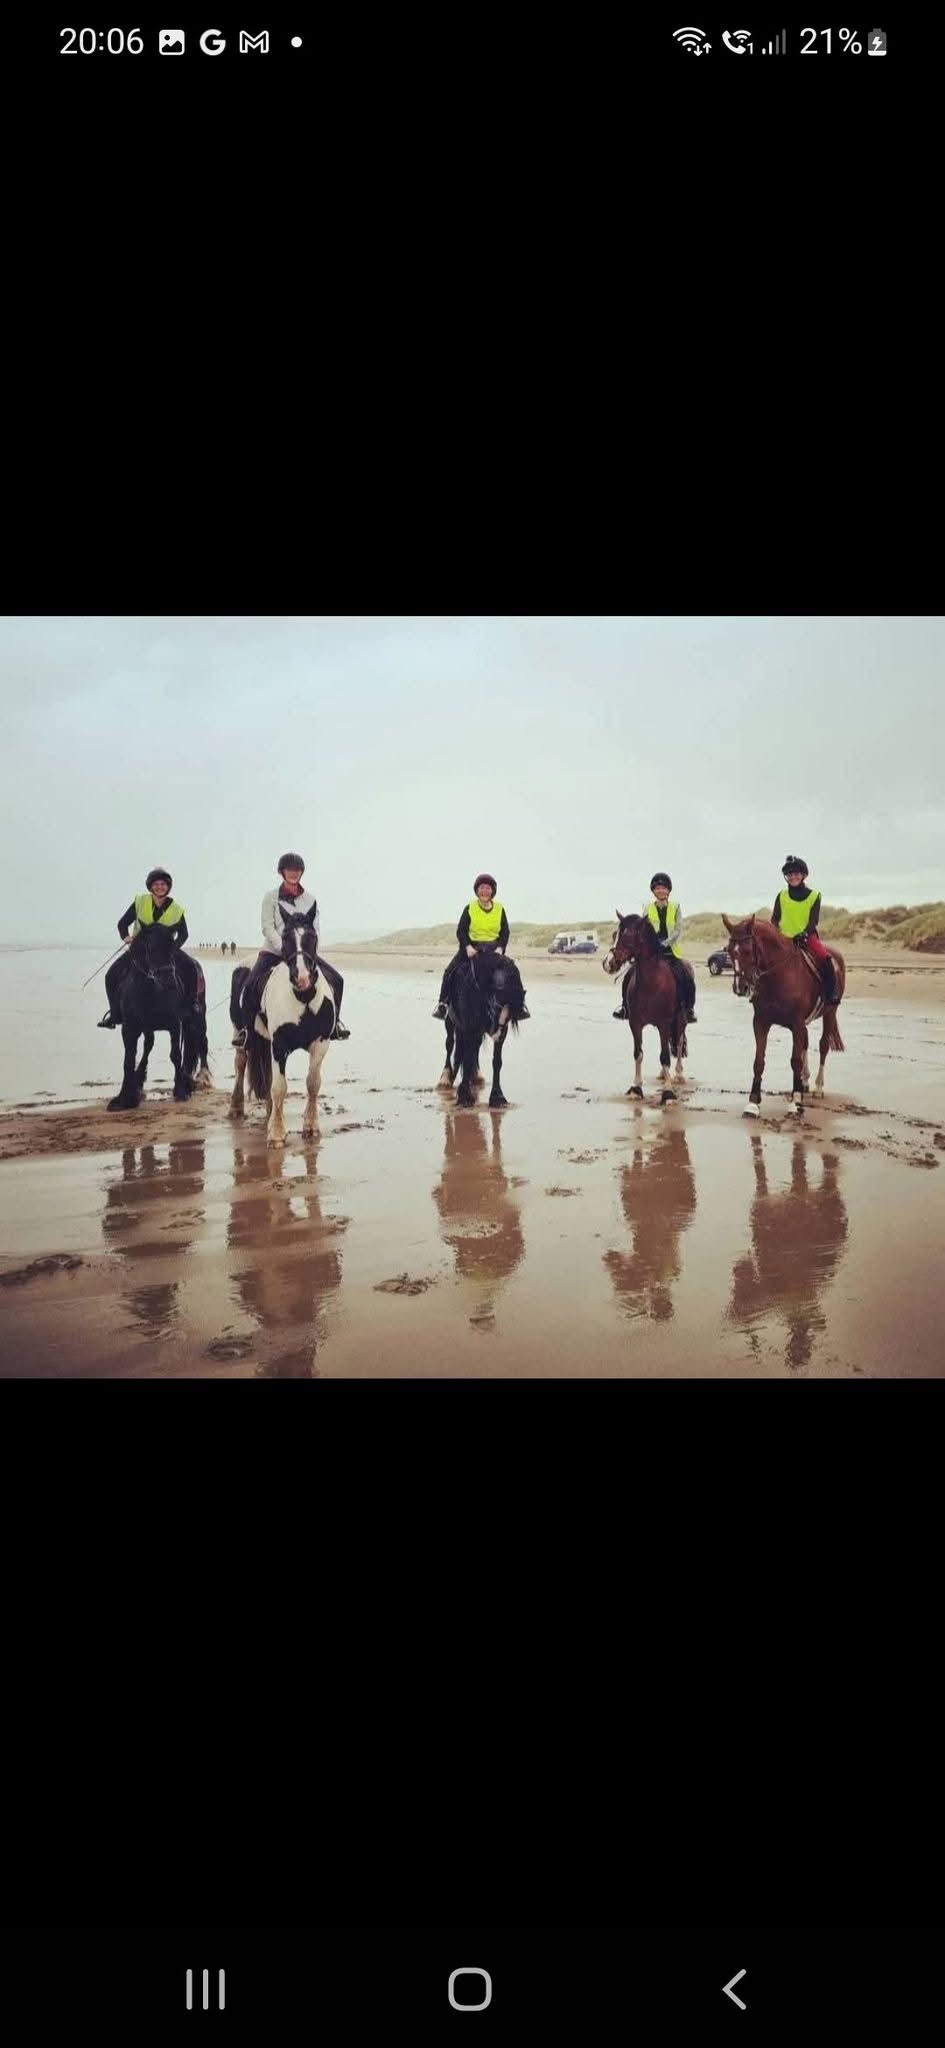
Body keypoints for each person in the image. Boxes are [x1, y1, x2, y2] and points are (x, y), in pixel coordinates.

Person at [235, 853, 349, 1043]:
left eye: (297, 870)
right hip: (274, 951)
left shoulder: (310, 900)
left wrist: (309, 950)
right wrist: (283, 948)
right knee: (249, 987)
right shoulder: (270, 897)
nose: (294, 873)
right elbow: (267, 926)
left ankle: (334, 1025)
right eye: (290, 870)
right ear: (282, 872)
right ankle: (247, 1032)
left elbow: (315, 929)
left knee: (337, 980)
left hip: (303, 953)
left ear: (301, 873)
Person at [98, 868, 201, 1026]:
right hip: (140, 951)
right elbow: (122, 923)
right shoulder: (140, 902)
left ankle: (192, 1005)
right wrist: (126, 937)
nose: (160, 887)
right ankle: (115, 1015)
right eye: (156, 884)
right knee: (110, 975)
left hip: (166, 952)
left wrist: (172, 949)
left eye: (163, 884)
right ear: (151, 886)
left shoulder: (176, 909)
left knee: (191, 967)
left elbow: (184, 934)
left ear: (168, 887)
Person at [432, 873, 530, 1020]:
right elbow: (461, 930)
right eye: (482, 888)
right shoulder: (470, 908)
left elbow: (505, 931)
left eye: (488, 888)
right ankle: (443, 1005)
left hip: (493, 951)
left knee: (513, 970)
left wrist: (501, 948)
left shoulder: (499, 909)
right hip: (472, 949)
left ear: (492, 891)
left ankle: (519, 1006)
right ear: (477, 890)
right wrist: (467, 947)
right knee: (449, 971)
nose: (484, 891)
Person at [613, 872, 697, 1023]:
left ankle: (689, 1009)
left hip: (671, 951)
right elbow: (643, 928)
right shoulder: (647, 908)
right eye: (657, 888)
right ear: (653, 890)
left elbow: (677, 930)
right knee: (629, 975)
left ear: (669, 890)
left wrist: (664, 943)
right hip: (651, 952)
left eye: (664, 888)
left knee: (686, 974)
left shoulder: (676, 907)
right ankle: (625, 1007)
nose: (661, 890)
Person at [771, 856, 839, 1004]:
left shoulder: (814, 896)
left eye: (796, 874)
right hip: (783, 938)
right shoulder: (781, 896)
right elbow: (775, 919)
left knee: (824, 957)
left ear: (803, 875)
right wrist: (777, 934)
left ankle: (831, 992)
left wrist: (803, 934)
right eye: (789, 874)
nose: (793, 877)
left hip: (806, 937)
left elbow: (813, 921)